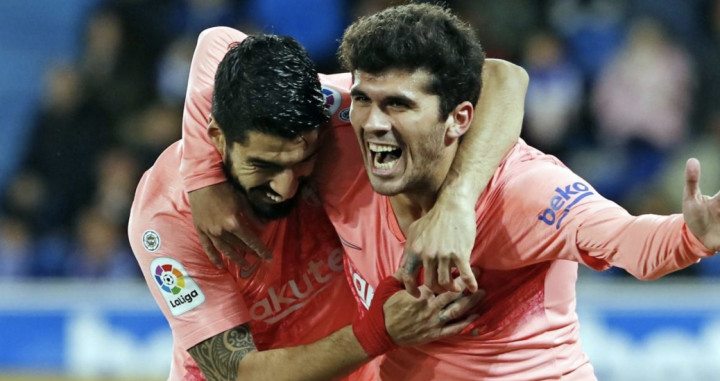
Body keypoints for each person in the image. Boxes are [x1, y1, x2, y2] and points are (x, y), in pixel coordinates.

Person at [305, 3, 717, 380]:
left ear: (459, 118)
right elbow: (504, 74)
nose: (374, 122)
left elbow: (628, 241)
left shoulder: (525, 189)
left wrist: (692, 234)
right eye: (363, 100)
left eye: (398, 105)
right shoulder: (339, 136)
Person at [130, 26, 528, 381]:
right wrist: (377, 332)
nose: (284, 188)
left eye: (303, 161)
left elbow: (503, 77)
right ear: (216, 137)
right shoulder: (167, 217)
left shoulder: (339, 111)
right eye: (263, 166)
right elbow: (237, 373)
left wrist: (456, 201)